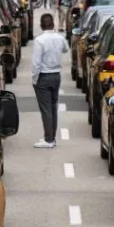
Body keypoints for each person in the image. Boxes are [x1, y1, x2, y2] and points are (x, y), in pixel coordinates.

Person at [31, 13, 69, 149]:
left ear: (41, 25)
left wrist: (35, 80)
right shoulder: (59, 38)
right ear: (53, 24)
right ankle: (52, 137)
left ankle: (48, 139)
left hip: (44, 76)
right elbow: (66, 49)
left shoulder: (39, 40)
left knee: (46, 109)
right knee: (53, 108)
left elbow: (36, 63)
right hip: (56, 75)